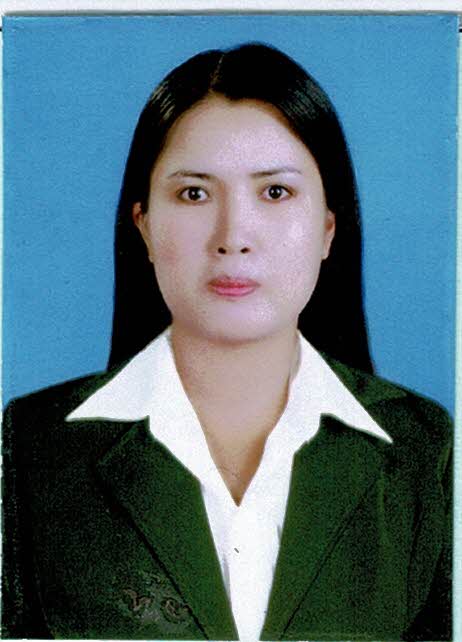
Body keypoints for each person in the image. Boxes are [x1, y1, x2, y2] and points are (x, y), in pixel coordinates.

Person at [1, 43, 452, 641]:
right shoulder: (29, 448)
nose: (233, 235)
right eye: (194, 193)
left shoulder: (424, 450)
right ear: (143, 224)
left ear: (328, 227)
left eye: (275, 192)